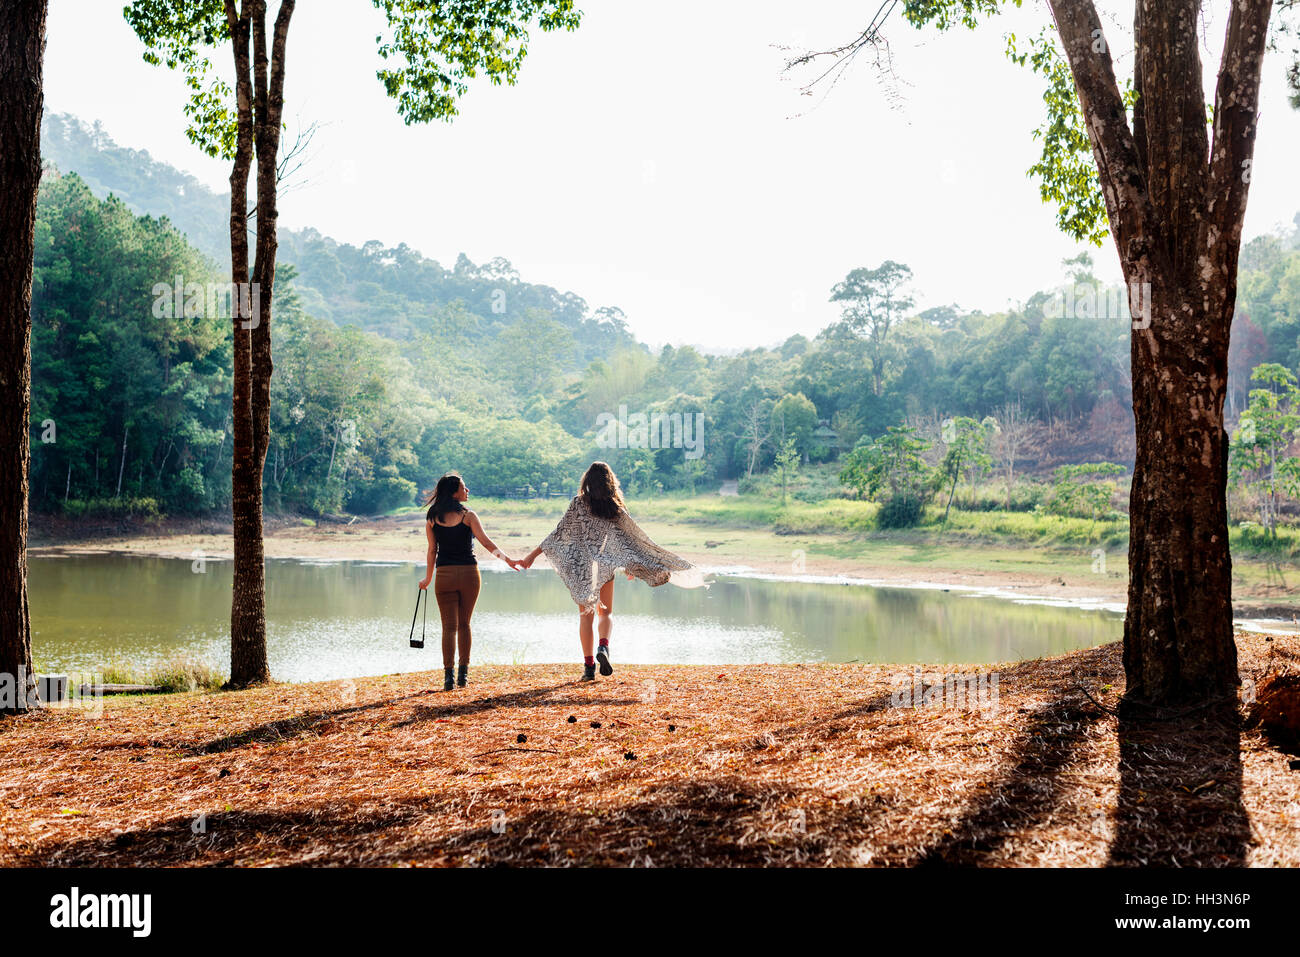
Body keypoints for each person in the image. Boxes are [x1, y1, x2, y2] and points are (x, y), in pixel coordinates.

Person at [521, 461, 704, 681]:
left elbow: (557, 535)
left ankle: (589, 668)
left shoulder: (578, 504)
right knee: (605, 612)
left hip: (583, 569)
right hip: (605, 567)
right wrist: (632, 566)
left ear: (587, 481)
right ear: (610, 482)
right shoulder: (614, 508)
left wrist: (531, 556)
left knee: (585, 617)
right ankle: (604, 647)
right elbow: (633, 542)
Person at [418, 473, 520, 691]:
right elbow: (486, 543)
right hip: (469, 575)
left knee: (448, 627)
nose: (467, 491)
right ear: (455, 492)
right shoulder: (469, 516)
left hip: (444, 576)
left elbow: (431, 550)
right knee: (464, 624)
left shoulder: (432, 516)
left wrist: (428, 578)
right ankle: (463, 676)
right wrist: (507, 560)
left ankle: (448, 678)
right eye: (464, 487)